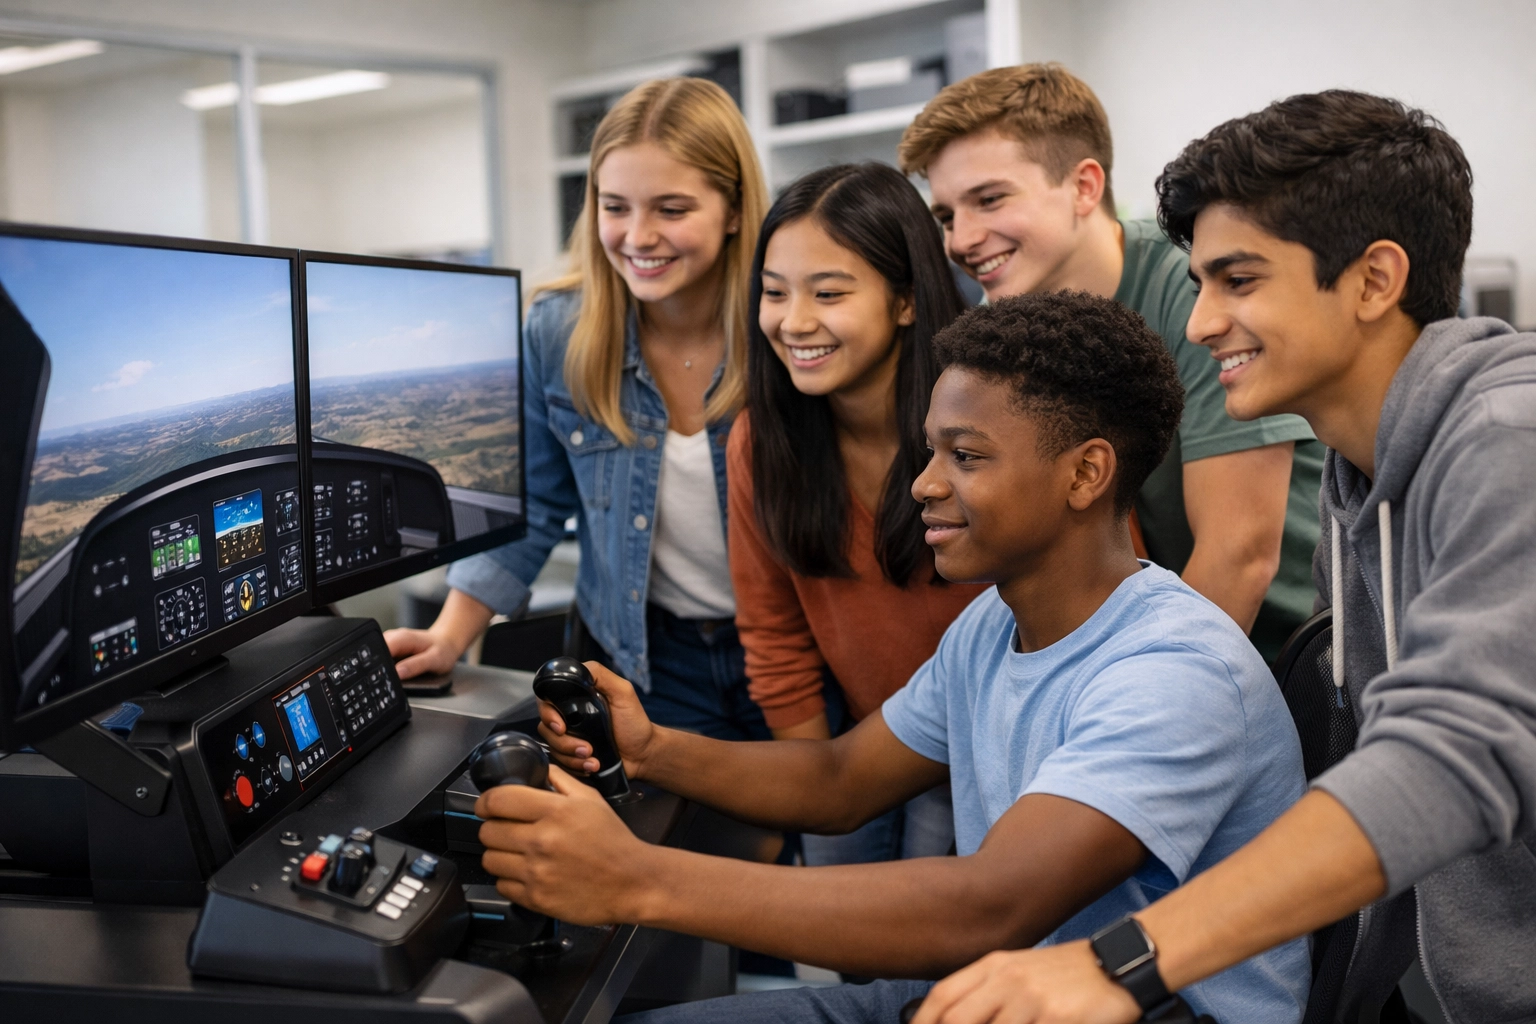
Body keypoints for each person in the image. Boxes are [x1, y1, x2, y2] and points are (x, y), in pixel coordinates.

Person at [470, 291, 1311, 1024]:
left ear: (1086, 474)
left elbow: (989, 907)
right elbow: (841, 780)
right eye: (932, 451)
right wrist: (653, 749)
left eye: (965, 457)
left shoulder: (1173, 671)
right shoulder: (991, 625)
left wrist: (636, 880)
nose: (923, 484)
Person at [910, 91, 1536, 1024]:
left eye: (1238, 280)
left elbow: (1451, 756)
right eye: (1200, 284)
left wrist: (1123, 964)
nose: (1201, 324)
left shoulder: (1505, 439)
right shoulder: (1363, 476)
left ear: (1374, 280)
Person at [384, 77, 771, 739]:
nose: (638, 236)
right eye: (615, 206)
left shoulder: (786, 325)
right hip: (643, 656)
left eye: (672, 209)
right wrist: (448, 636)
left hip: (788, 650)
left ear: (734, 209)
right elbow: (532, 507)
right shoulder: (560, 329)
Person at [899, 63, 1321, 661]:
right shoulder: (1001, 327)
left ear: (1084, 187)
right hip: (1134, 639)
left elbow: (1241, 555)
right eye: (946, 216)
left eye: (989, 200)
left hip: (1272, 658)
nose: (961, 240)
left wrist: (1129, 689)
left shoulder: (1197, 295)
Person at [731, 162, 986, 869]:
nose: (794, 321)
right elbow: (774, 635)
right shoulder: (762, 441)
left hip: (986, 754)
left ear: (905, 301)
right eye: (774, 292)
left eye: (829, 293)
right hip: (852, 745)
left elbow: (1089, 609)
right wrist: (824, 790)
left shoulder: (994, 422)